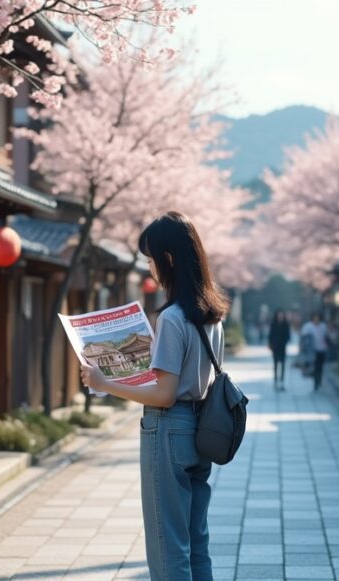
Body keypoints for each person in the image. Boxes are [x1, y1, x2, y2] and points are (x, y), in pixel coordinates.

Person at [80, 211, 227, 581]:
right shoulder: (213, 316)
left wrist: (103, 382)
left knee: (167, 546)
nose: (149, 268)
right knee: (196, 543)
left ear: (170, 260)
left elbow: (163, 395)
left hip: (168, 429)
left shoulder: (172, 318)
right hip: (201, 429)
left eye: (151, 259)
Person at [301, 313, 329, 390]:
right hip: (313, 350)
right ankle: (315, 381)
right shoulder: (308, 326)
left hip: (322, 349)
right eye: (315, 318)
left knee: (320, 366)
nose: (316, 320)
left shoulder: (323, 326)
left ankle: (319, 380)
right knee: (315, 366)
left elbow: (326, 336)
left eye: (318, 318)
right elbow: (304, 338)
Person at [268, 309, 291, 389]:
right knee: (275, 364)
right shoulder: (273, 324)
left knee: (283, 364)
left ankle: (282, 381)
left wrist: (285, 342)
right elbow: (270, 335)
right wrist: (270, 344)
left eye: (281, 315)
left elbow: (288, 336)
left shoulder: (285, 325)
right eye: (279, 315)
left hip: (282, 347)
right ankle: (275, 381)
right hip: (275, 347)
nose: (280, 317)